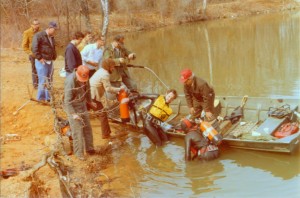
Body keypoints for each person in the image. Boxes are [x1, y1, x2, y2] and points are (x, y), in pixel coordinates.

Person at [64, 65, 96, 160]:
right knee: (77, 131)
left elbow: (88, 90)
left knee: (87, 128)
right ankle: (79, 154)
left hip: (82, 105)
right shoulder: (70, 82)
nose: (84, 81)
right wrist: (73, 114)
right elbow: (67, 101)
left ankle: (90, 148)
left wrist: (90, 102)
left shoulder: (86, 78)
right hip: (73, 106)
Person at [89, 58, 126, 139]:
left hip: (89, 92)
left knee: (86, 110)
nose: (113, 68)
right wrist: (119, 89)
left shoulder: (101, 70)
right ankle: (106, 134)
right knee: (103, 114)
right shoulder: (105, 74)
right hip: (93, 95)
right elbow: (108, 89)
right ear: (108, 67)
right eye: (112, 67)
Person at [32, 21, 58, 102]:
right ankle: (41, 98)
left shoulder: (52, 37)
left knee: (49, 79)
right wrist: (39, 58)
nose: (55, 32)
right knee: (43, 80)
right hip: (41, 61)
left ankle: (48, 98)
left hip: (50, 61)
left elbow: (52, 48)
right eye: (54, 29)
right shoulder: (39, 35)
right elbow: (34, 48)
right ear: (50, 28)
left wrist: (54, 56)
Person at [22, 18, 40, 89]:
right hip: (33, 55)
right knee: (34, 69)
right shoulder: (27, 32)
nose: (37, 26)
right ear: (31, 25)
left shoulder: (41, 31)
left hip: (41, 54)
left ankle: (42, 84)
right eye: (35, 24)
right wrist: (30, 53)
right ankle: (35, 85)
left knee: (41, 69)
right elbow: (24, 46)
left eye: (38, 24)